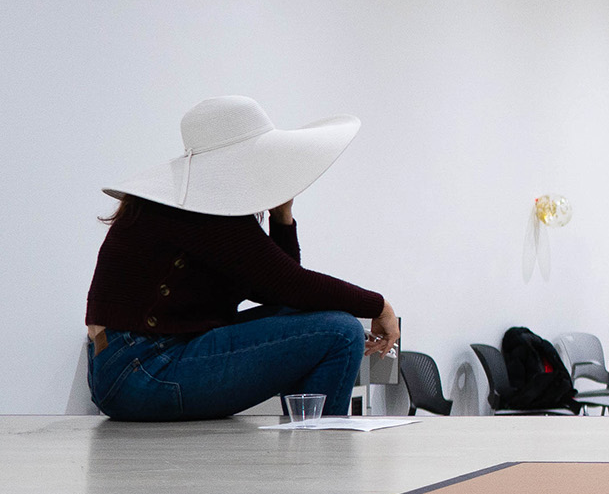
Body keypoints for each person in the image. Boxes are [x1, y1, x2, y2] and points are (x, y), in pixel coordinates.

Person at [84, 96, 399, 422]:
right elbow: (289, 284)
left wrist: (282, 216)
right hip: (143, 370)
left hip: (129, 365)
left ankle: (309, 443)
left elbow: (278, 289)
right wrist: (379, 306)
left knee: (319, 319)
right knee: (342, 332)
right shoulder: (200, 212)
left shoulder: (199, 207)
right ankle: (316, 457)